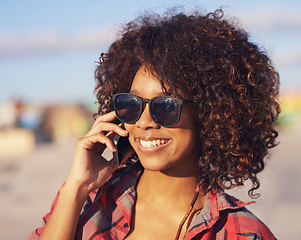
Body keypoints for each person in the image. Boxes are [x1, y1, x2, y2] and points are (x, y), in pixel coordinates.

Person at [28, 9, 280, 240]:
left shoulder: (241, 233)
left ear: (208, 114)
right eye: (132, 104)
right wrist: (77, 186)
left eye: (166, 106)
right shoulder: (86, 198)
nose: (144, 121)